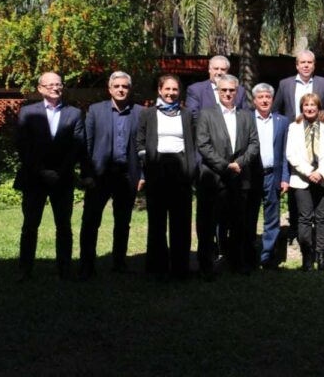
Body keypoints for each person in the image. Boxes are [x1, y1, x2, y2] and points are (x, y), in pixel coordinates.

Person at [15, 72, 86, 281]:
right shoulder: (27, 112)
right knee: (30, 226)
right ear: (40, 88)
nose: (56, 88)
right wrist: (41, 171)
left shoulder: (74, 113)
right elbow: (22, 146)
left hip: (62, 178)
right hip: (34, 178)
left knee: (64, 226)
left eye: (59, 84)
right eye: (51, 85)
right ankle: (25, 269)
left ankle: (64, 270)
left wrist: (60, 172)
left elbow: (77, 146)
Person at [79, 71, 145, 280]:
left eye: (125, 86)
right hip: (100, 175)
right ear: (109, 89)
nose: (121, 89)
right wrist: (87, 174)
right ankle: (87, 265)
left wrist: (143, 175)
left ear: (130, 89)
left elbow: (145, 147)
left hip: (127, 175)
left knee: (122, 221)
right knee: (91, 221)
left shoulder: (141, 112)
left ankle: (119, 262)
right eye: (116, 86)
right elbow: (86, 145)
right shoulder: (95, 111)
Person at [273, 49, 324, 243]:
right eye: (302, 62)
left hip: (318, 134)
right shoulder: (284, 84)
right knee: (297, 184)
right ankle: (295, 230)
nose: (305, 65)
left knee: (316, 189)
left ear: (314, 65)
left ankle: (315, 241)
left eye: (309, 62)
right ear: (296, 65)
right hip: (294, 136)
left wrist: (318, 116)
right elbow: (277, 109)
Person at [196, 74, 260, 278]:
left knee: (238, 224)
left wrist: (239, 164)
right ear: (217, 91)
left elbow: (254, 143)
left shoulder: (246, 115)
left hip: (239, 178)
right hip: (213, 178)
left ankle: (237, 263)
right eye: (223, 90)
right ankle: (206, 266)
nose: (228, 93)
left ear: (237, 91)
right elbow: (203, 145)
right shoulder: (206, 114)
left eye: (231, 90)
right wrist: (225, 166)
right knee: (207, 225)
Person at [137, 74, 197, 280]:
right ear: (159, 91)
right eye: (167, 89)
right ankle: (157, 267)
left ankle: (180, 268)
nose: (171, 93)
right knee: (157, 222)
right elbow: (140, 142)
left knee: (181, 222)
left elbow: (194, 143)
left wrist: (191, 169)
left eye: (175, 90)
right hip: (157, 171)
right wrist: (147, 164)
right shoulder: (148, 114)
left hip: (181, 171)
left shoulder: (187, 114)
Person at [286, 93, 324, 271]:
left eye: (313, 105)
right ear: (302, 107)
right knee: (305, 218)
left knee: (322, 218)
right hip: (302, 179)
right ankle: (306, 258)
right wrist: (310, 172)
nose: (309, 108)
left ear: (319, 107)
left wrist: (321, 172)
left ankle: (322, 258)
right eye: (306, 105)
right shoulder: (294, 127)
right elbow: (291, 154)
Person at [247, 83, 290, 269]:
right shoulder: (246, 119)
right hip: (251, 175)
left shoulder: (282, 121)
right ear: (254, 100)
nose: (264, 100)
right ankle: (248, 256)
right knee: (249, 216)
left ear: (272, 100)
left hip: (273, 175)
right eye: (260, 97)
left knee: (272, 218)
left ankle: (267, 256)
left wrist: (285, 178)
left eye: (268, 97)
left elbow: (286, 153)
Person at [185, 55, 249, 120]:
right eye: (216, 69)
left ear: (227, 72)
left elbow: (245, 115)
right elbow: (193, 116)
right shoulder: (196, 90)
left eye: (223, 69)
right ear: (209, 70)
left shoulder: (239, 91)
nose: (219, 72)